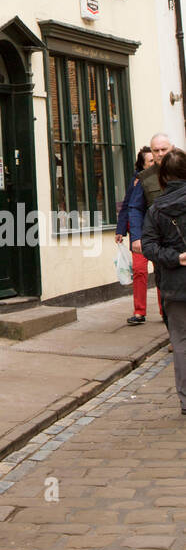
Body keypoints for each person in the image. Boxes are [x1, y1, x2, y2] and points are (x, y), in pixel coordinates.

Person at [139, 147, 186, 415]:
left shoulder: (157, 209)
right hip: (175, 281)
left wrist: (175, 258)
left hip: (174, 285)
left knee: (180, 342)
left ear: (164, 177)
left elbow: (148, 246)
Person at [125, 132, 174, 326]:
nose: (160, 154)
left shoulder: (182, 169)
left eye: (164, 149)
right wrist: (136, 237)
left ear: (172, 148)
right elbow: (135, 208)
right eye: (156, 150)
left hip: (180, 238)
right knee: (165, 284)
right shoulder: (145, 177)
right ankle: (173, 330)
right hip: (159, 241)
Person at [115, 146, 153, 324]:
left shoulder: (164, 178)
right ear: (143, 165)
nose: (154, 163)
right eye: (150, 161)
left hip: (159, 233)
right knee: (139, 271)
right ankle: (139, 312)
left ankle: (165, 311)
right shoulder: (137, 181)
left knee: (163, 272)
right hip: (139, 233)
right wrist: (120, 230)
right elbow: (128, 206)